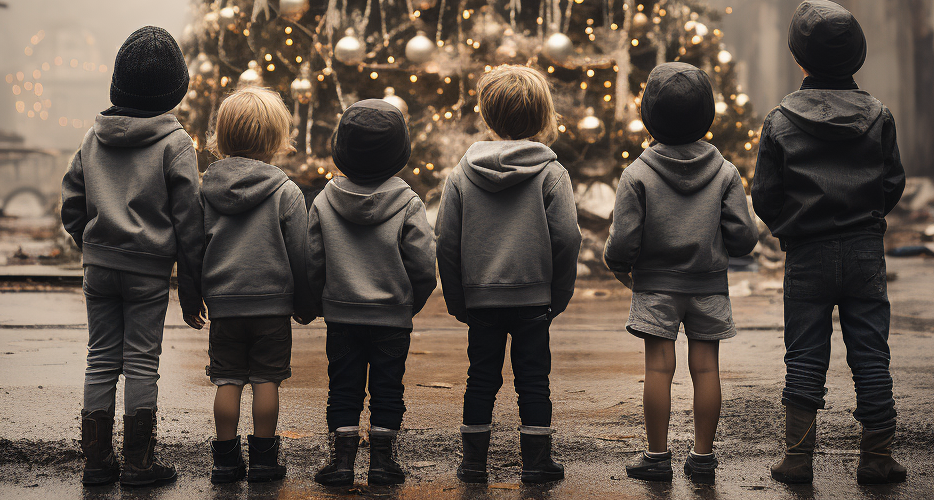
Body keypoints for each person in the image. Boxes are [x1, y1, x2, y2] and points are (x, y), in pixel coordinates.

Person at [751, 0, 907, 486]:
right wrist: (866, 215)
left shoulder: (779, 120)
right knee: (870, 354)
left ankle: (798, 461)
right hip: (864, 250)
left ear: (799, 60)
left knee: (803, 356)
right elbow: (892, 182)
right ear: (858, 57)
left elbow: (765, 195)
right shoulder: (878, 115)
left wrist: (792, 225)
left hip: (808, 254)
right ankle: (877, 458)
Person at [61, 25, 205, 487]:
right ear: (174, 91)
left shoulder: (92, 137)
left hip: (99, 267)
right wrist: (191, 286)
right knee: (142, 363)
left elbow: (71, 202)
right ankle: (139, 464)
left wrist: (89, 243)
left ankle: (96, 463)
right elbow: (189, 223)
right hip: (148, 271)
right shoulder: (175, 144)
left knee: (100, 359)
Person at [603, 62, 759, 484]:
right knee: (706, 369)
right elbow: (745, 237)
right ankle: (703, 458)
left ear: (647, 116)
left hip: (655, 286)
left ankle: (657, 458)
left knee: (658, 368)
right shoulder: (725, 172)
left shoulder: (637, 173)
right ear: (707, 115)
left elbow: (623, 240)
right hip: (708, 285)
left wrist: (618, 265)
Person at [436, 64, 581, 484]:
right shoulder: (552, 174)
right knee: (534, 380)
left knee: (480, 379)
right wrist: (560, 292)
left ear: (486, 115)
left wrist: (457, 298)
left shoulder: (463, 174)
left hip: (480, 298)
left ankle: (473, 464)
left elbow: (446, 240)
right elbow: (568, 239)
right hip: (534, 298)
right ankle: (536, 463)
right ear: (543, 117)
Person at [307, 99, 437, 487]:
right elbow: (423, 265)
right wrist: (408, 304)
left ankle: (342, 462)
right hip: (392, 318)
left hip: (342, 317)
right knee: (387, 388)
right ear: (400, 152)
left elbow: (313, 261)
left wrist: (318, 302)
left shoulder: (325, 200)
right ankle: (383, 462)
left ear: (340, 149)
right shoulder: (408, 201)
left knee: (343, 387)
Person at [196, 86, 314, 484]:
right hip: (272, 307)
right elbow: (301, 253)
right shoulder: (286, 192)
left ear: (222, 136)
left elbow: (194, 248)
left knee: (227, 379)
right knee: (267, 380)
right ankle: (264, 460)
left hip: (225, 306)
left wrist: (192, 293)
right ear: (277, 139)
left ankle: (225, 461)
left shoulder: (205, 191)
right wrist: (304, 300)